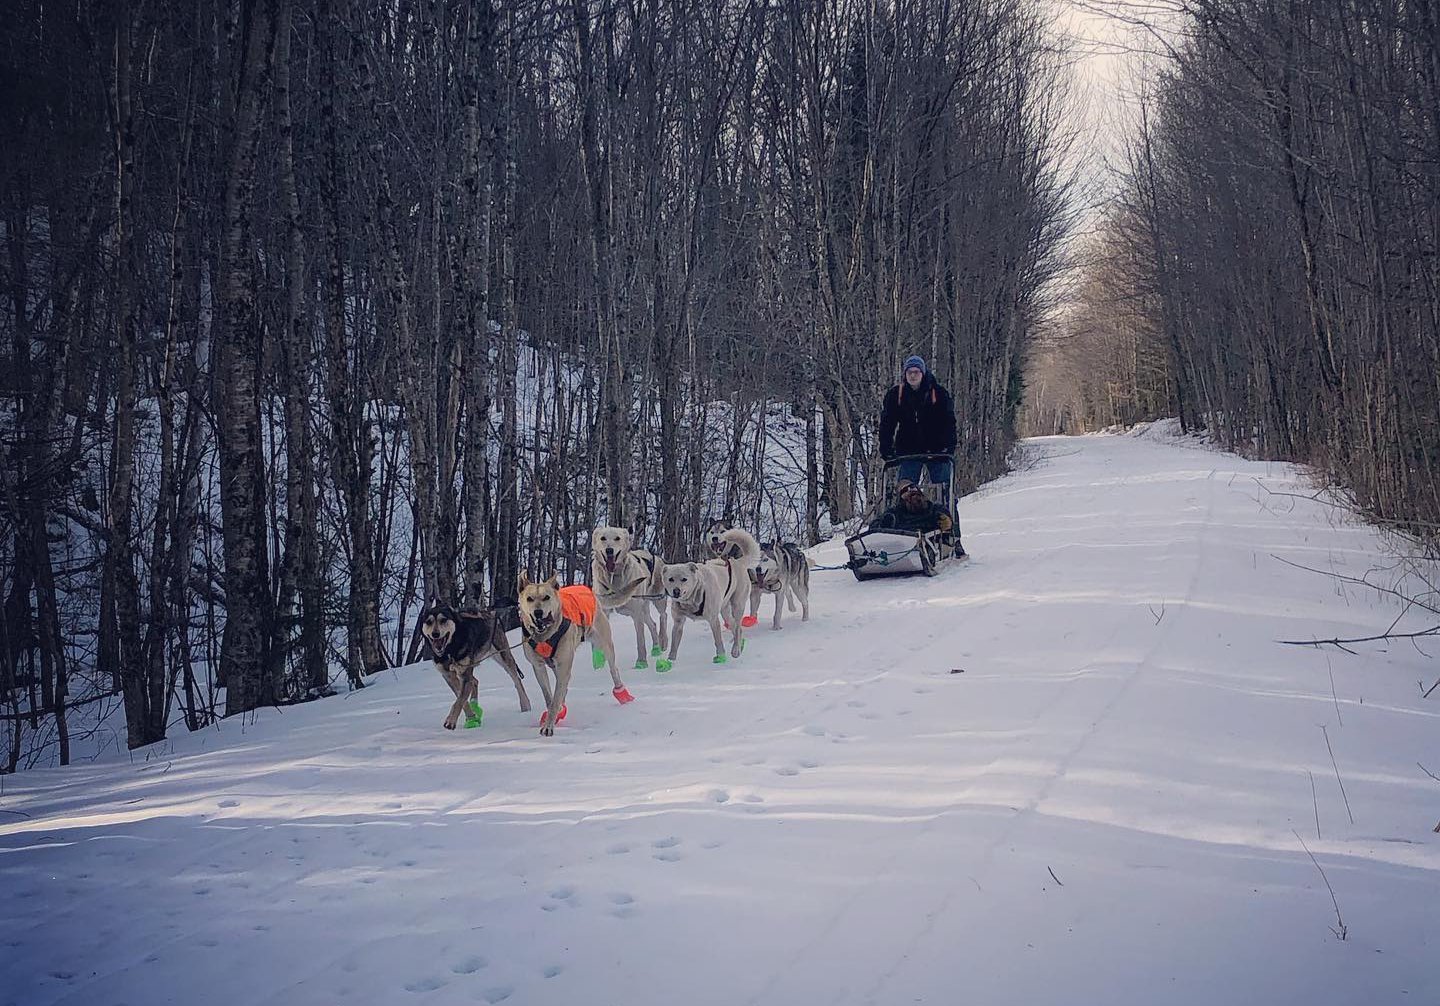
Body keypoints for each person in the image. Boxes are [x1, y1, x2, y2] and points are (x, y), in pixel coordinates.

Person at [878, 355, 956, 488]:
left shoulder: (938, 393)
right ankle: (906, 507)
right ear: (905, 374)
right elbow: (887, 423)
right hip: (908, 449)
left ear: (923, 373)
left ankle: (947, 507)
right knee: (905, 489)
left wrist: (949, 446)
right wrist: (886, 448)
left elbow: (948, 421)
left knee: (945, 488)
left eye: (916, 372)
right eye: (909, 372)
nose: (913, 376)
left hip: (936, 448)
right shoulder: (896, 395)